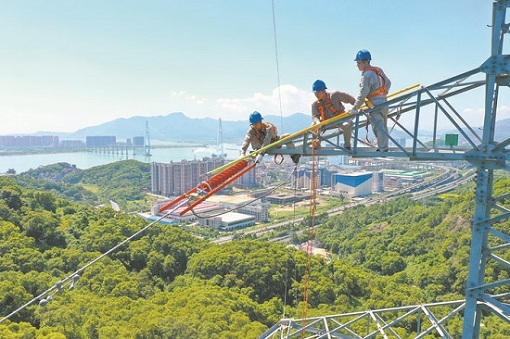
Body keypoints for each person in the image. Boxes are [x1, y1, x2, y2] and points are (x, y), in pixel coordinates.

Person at [351, 49, 392, 152]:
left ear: (365, 62)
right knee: (383, 125)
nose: (357, 65)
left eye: (359, 63)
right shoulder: (378, 71)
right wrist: (383, 93)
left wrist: (355, 108)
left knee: (378, 126)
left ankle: (383, 149)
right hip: (384, 101)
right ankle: (383, 147)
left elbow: (362, 94)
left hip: (374, 103)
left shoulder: (367, 76)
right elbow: (388, 83)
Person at [311, 80, 355, 150]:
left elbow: (351, 100)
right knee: (313, 126)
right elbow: (315, 116)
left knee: (346, 125)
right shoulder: (315, 104)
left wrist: (356, 108)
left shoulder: (335, 95)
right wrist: (317, 122)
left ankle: (347, 145)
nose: (316, 95)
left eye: (318, 92)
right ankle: (316, 145)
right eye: (315, 93)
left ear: (324, 91)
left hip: (341, 119)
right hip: (327, 123)